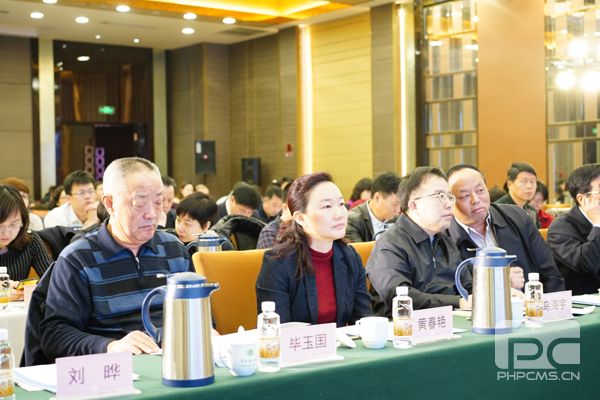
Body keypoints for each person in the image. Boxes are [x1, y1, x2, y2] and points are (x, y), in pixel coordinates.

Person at [40, 157, 191, 360]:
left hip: (176, 360)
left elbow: (199, 313)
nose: (152, 214)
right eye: (139, 203)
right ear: (110, 204)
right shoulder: (78, 259)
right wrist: (110, 346)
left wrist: (204, 329)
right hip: (115, 368)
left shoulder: (175, 250)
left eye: (158, 202)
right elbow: (55, 335)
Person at [256, 172, 371, 326]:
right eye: (327, 206)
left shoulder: (350, 257)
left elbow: (363, 320)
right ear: (300, 218)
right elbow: (276, 330)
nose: (339, 214)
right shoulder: (277, 263)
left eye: (341, 204)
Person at [367, 166, 472, 314]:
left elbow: (467, 285)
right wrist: (458, 302)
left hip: (452, 320)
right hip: (403, 325)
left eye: (449, 197)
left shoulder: (444, 239)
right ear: (414, 205)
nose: (449, 204)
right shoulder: (389, 244)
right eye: (439, 196)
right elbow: (401, 297)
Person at [445, 165, 564, 293]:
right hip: (475, 305)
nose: (476, 200)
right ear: (449, 200)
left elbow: (551, 275)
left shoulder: (518, 218)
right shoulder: (442, 236)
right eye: (465, 195)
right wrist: (498, 283)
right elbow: (448, 292)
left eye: (480, 190)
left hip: (529, 303)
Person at [547, 163, 600, 294]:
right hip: (580, 300)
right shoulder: (560, 228)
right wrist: (597, 224)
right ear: (582, 199)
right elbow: (586, 264)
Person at [0, 185, 52, 283]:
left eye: (13, 224)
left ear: (22, 221)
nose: (6, 232)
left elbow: (53, 280)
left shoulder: (30, 240)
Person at [345, 172, 402, 243]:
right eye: (395, 204)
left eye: (401, 205)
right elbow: (358, 249)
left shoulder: (397, 219)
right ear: (377, 198)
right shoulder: (353, 220)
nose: (398, 210)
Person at [495, 162, 539, 227]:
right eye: (524, 181)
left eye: (532, 181)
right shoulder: (498, 210)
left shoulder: (532, 211)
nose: (529, 186)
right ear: (510, 184)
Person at [257, 182, 294, 249]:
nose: (277, 209)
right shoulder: (269, 232)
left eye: (279, 206)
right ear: (285, 207)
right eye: (274, 205)